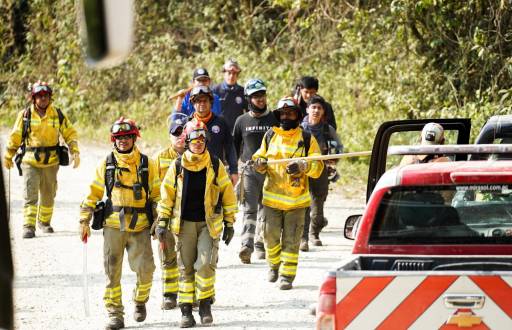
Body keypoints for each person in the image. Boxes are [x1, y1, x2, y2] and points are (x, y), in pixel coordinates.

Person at [79, 118, 160, 330]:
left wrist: (160, 219)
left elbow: (158, 195)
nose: (123, 141)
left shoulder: (147, 164)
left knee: (146, 270)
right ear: (113, 140)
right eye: (119, 138)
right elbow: (93, 193)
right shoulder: (105, 164)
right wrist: (84, 219)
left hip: (141, 226)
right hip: (113, 226)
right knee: (111, 271)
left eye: (127, 137)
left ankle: (140, 301)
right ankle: (115, 314)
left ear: (134, 138)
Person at [156, 118, 237, 328]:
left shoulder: (215, 164)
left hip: (207, 225)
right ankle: (185, 311)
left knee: (205, 265)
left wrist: (229, 223)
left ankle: (204, 305)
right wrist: (162, 221)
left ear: (206, 140)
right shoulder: (178, 165)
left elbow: (228, 194)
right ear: (187, 141)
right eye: (194, 138)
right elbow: (167, 195)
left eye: (202, 138)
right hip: (183, 226)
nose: (198, 142)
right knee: (185, 269)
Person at [252, 97, 323, 290]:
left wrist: (303, 166)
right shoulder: (270, 135)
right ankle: (274, 264)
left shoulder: (307, 138)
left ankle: (287, 276)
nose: (286, 116)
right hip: (271, 201)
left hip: (296, 203)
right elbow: (259, 156)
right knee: (269, 237)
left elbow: (318, 166)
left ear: (298, 116)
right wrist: (258, 162)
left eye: (290, 113)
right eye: (282, 113)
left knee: (291, 242)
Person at [3, 81, 80, 238]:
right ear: (34, 98)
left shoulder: (57, 114)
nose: (43, 98)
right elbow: (16, 136)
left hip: (52, 162)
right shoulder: (25, 115)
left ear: (50, 97)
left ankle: (44, 223)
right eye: (39, 96)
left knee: (48, 195)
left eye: (46, 96)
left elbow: (70, 133)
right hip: (30, 162)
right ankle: (28, 227)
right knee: (30, 195)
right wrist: (8, 155)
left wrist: (75, 152)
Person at [233, 78, 278, 264]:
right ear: (248, 99)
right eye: (255, 96)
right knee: (249, 209)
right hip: (249, 171)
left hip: (271, 171)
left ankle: (261, 244)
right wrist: (236, 169)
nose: (260, 99)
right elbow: (235, 146)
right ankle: (247, 245)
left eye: (262, 95)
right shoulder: (241, 121)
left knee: (266, 209)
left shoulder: (275, 118)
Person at [153, 112, 189, 310]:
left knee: (189, 257)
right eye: (176, 133)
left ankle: (192, 294)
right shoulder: (159, 158)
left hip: (190, 216)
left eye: (184, 132)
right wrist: (156, 219)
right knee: (167, 257)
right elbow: (153, 189)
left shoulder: (198, 156)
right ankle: (169, 294)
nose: (180, 137)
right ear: (169, 136)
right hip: (166, 216)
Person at [300, 95, 343, 251]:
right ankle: (303, 238)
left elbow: (339, 148)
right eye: (313, 107)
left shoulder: (327, 129)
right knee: (303, 203)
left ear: (323, 111)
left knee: (318, 202)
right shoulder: (299, 128)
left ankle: (314, 233)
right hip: (302, 170)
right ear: (307, 109)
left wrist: (334, 158)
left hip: (321, 170)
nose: (316, 111)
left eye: (319, 108)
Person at [188, 85, 239, 185]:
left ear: (210, 102)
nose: (202, 103)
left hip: (216, 172)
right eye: (198, 101)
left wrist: (234, 171)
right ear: (193, 103)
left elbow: (229, 147)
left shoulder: (221, 122)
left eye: (205, 100)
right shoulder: (187, 124)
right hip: (192, 171)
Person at [212, 58, 247, 133]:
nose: (231, 76)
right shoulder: (215, 90)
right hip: (218, 131)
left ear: (237, 75)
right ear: (224, 73)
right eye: (229, 73)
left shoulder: (243, 91)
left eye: (234, 73)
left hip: (237, 132)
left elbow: (249, 113)